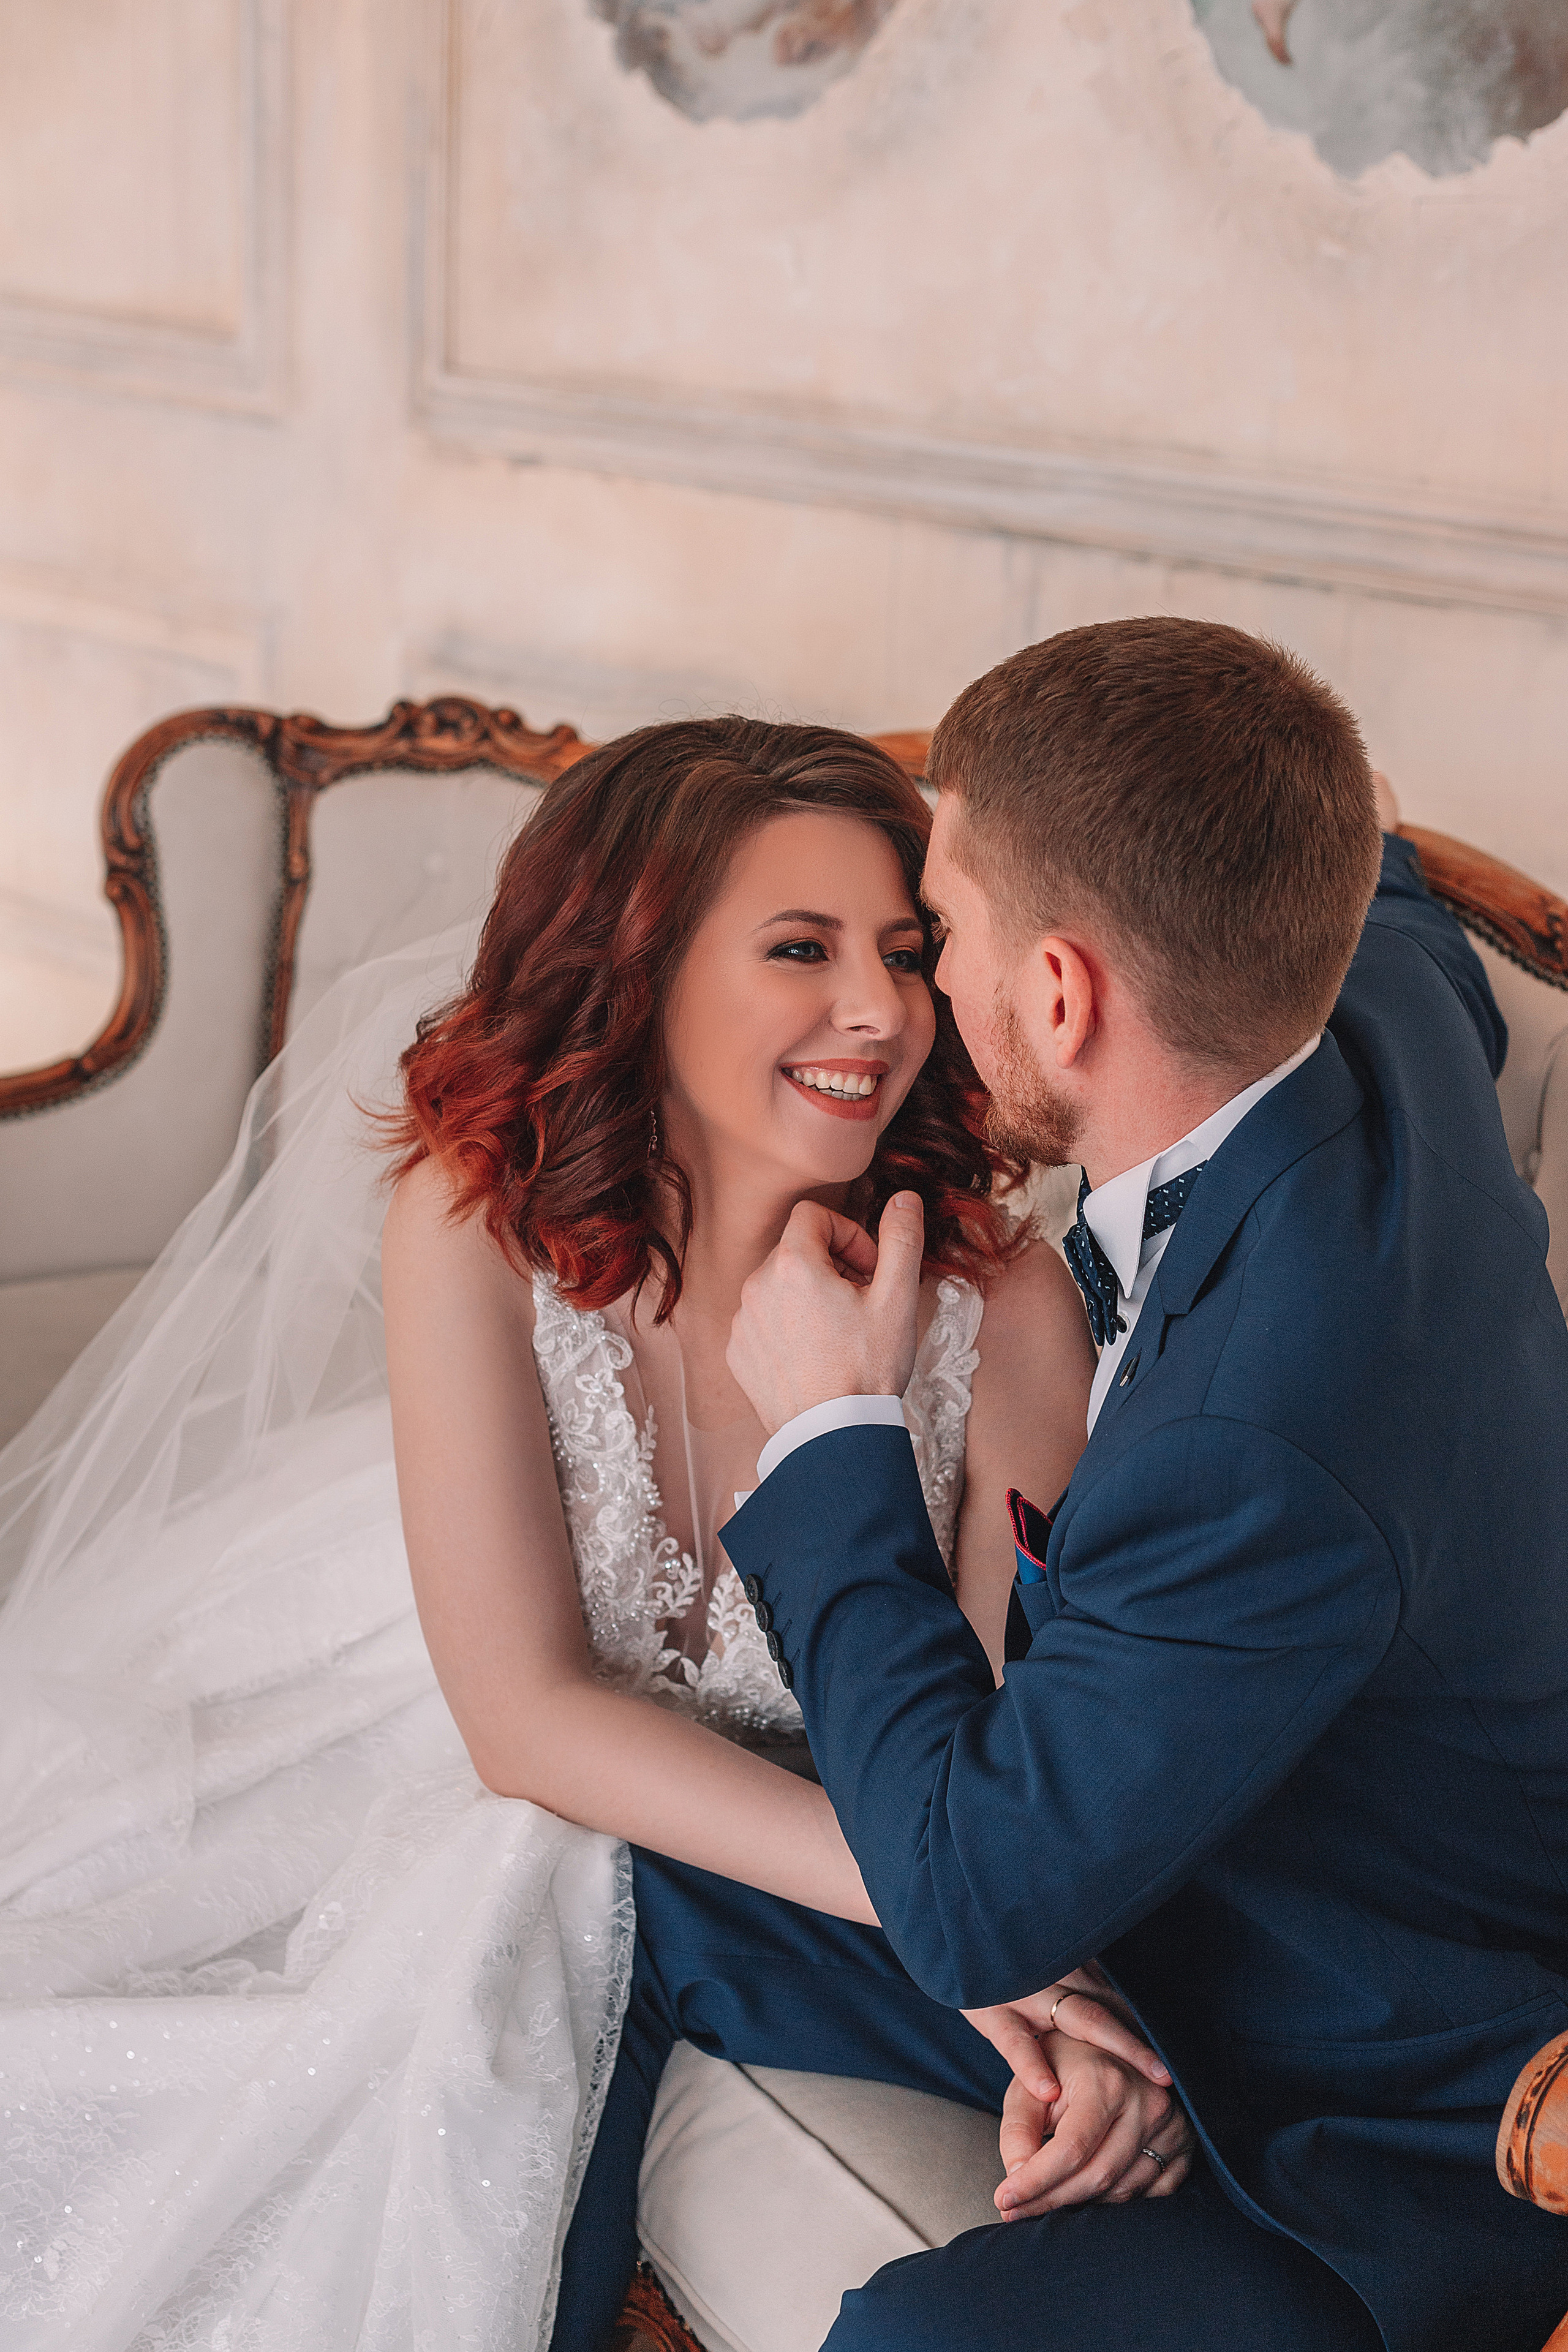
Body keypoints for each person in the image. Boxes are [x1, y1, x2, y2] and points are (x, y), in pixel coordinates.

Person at [0, 717, 1180, 2352]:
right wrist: (953, 1922)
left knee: (571, 1885)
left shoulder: (999, 1300)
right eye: (799, 949)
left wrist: (1030, 1972)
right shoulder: (477, 1220)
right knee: (493, 1892)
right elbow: (523, 1718)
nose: (880, 1011)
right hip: (438, 1718)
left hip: (819, 1827)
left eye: (909, 953)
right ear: (640, 970)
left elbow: (993, 1757)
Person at [556, 622, 1568, 2352]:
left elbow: (973, 1898)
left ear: (1062, 993)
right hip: (1178, 1870)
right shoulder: (1374, 1010)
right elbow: (1380, 862)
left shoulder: (1250, 1446)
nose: (918, 994)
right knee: (592, 1890)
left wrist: (830, 1427)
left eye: (943, 935)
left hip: (1380, 2108)